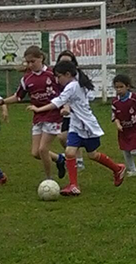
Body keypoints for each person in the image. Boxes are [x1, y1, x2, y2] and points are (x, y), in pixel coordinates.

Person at [29, 59, 125, 196]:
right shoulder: (77, 82)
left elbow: (58, 102)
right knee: (69, 152)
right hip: (75, 125)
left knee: (92, 155)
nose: (57, 80)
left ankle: (117, 169)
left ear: (68, 74)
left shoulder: (73, 85)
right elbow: (70, 100)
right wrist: (67, 108)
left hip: (87, 126)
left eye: (59, 76)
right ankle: (73, 185)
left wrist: (39, 109)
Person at [0, 46, 66, 180]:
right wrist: (2, 102)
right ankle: (60, 159)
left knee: (43, 149)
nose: (30, 65)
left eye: (33, 61)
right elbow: (18, 97)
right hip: (38, 116)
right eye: (28, 62)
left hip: (53, 115)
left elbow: (65, 92)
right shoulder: (27, 79)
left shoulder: (52, 74)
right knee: (36, 153)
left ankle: (49, 180)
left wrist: (65, 106)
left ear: (41, 58)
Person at [111, 74, 136, 177]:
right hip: (123, 130)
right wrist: (118, 124)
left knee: (134, 151)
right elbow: (115, 115)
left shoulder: (134, 98)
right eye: (116, 87)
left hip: (135, 128)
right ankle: (132, 170)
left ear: (127, 86)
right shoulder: (115, 101)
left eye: (121, 87)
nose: (119, 90)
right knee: (126, 151)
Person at [55, 50, 85, 170]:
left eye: (68, 61)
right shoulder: (58, 77)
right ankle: (74, 158)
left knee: (69, 136)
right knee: (63, 137)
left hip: (76, 113)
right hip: (64, 111)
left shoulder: (78, 78)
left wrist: (70, 105)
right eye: (62, 61)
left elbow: (86, 95)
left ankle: (78, 160)